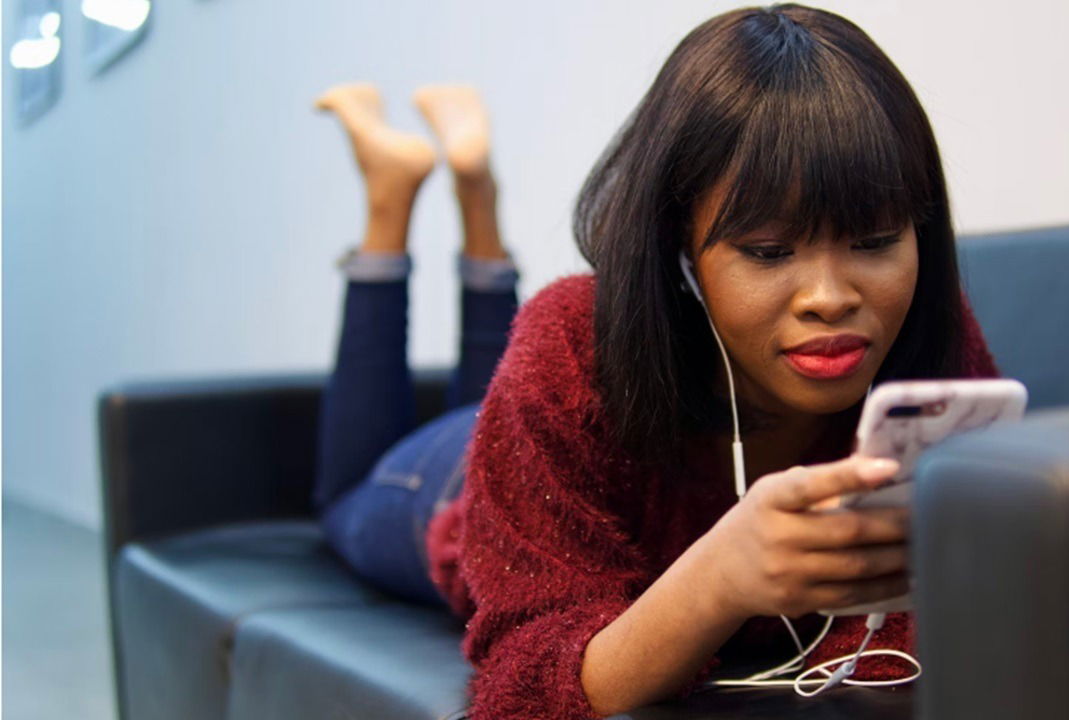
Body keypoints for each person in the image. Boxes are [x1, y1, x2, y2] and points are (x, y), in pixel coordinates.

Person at [313, 4, 1000, 719]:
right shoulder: (572, 346)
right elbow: (520, 688)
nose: (831, 298)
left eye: (875, 242)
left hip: (523, 421)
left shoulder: (931, 337)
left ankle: (475, 196)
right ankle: (394, 206)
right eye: (768, 252)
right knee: (340, 501)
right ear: (681, 245)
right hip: (452, 484)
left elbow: (906, 634)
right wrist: (718, 577)